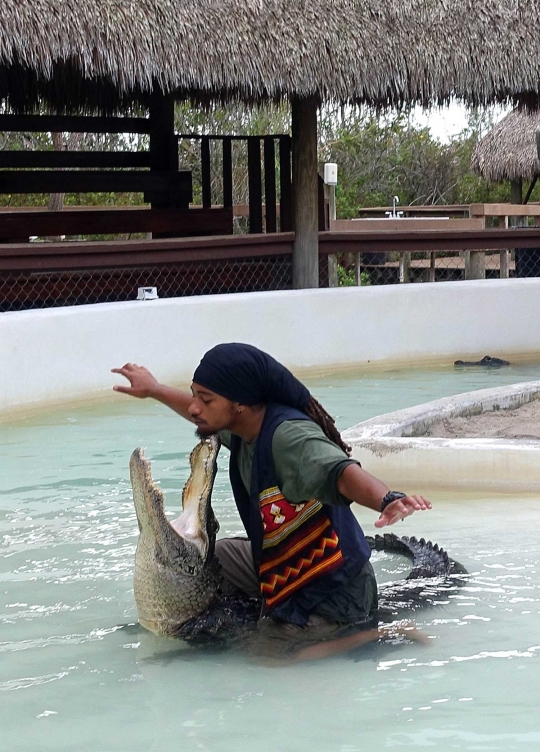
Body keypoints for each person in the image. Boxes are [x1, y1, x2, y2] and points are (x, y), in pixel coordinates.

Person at [112, 343, 432, 661]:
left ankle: (380, 633)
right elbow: (193, 408)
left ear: (239, 402)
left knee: (268, 658)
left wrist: (387, 499)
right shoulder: (238, 427)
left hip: (333, 586)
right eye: (195, 395)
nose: (196, 407)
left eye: (205, 399)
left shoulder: (289, 437)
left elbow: (342, 473)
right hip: (285, 562)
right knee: (217, 556)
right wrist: (154, 390)